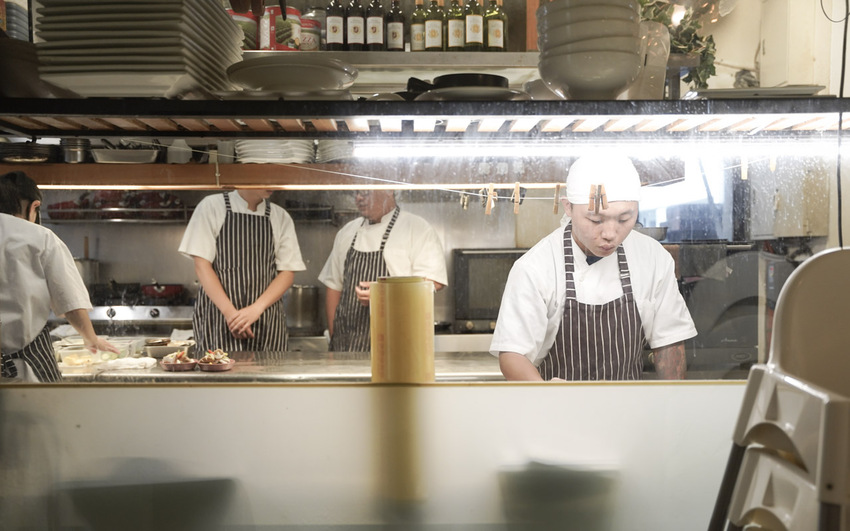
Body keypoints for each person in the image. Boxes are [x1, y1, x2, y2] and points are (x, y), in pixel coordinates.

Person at [490, 154, 697, 381]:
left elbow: (670, 342)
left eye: (624, 219)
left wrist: (673, 400)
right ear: (568, 207)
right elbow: (513, 355)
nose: (610, 234)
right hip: (558, 402)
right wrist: (546, 396)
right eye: (596, 220)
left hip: (628, 402)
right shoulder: (535, 267)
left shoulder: (653, 257)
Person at [0, 171, 118, 382]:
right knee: (35, 406)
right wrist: (90, 338)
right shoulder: (41, 238)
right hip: (24, 368)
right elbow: (69, 300)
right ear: (34, 207)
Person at [319, 189, 448, 352]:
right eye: (356, 192)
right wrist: (334, 341)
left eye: (365, 192)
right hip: (347, 348)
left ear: (388, 190)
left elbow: (434, 282)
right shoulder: (347, 232)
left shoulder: (417, 228)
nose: (359, 198)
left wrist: (385, 295)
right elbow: (334, 287)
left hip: (397, 348)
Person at [179, 189, 305, 353]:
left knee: (269, 368)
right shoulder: (211, 206)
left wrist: (256, 309)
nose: (271, 183)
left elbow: (287, 273)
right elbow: (202, 266)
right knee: (218, 366)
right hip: (219, 318)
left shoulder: (280, 216)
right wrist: (231, 315)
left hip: (265, 319)